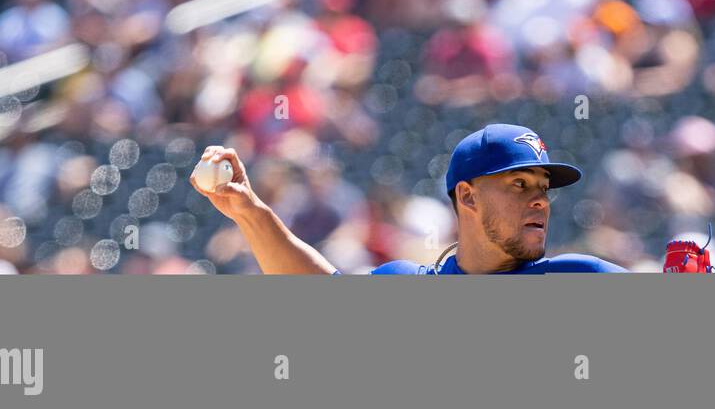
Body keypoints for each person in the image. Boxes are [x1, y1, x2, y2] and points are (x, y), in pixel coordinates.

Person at [190, 123, 628, 273]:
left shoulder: (580, 275)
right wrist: (249, 213)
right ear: (468, 198)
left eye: (543, 189)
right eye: (520, 185)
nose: (540, 202)